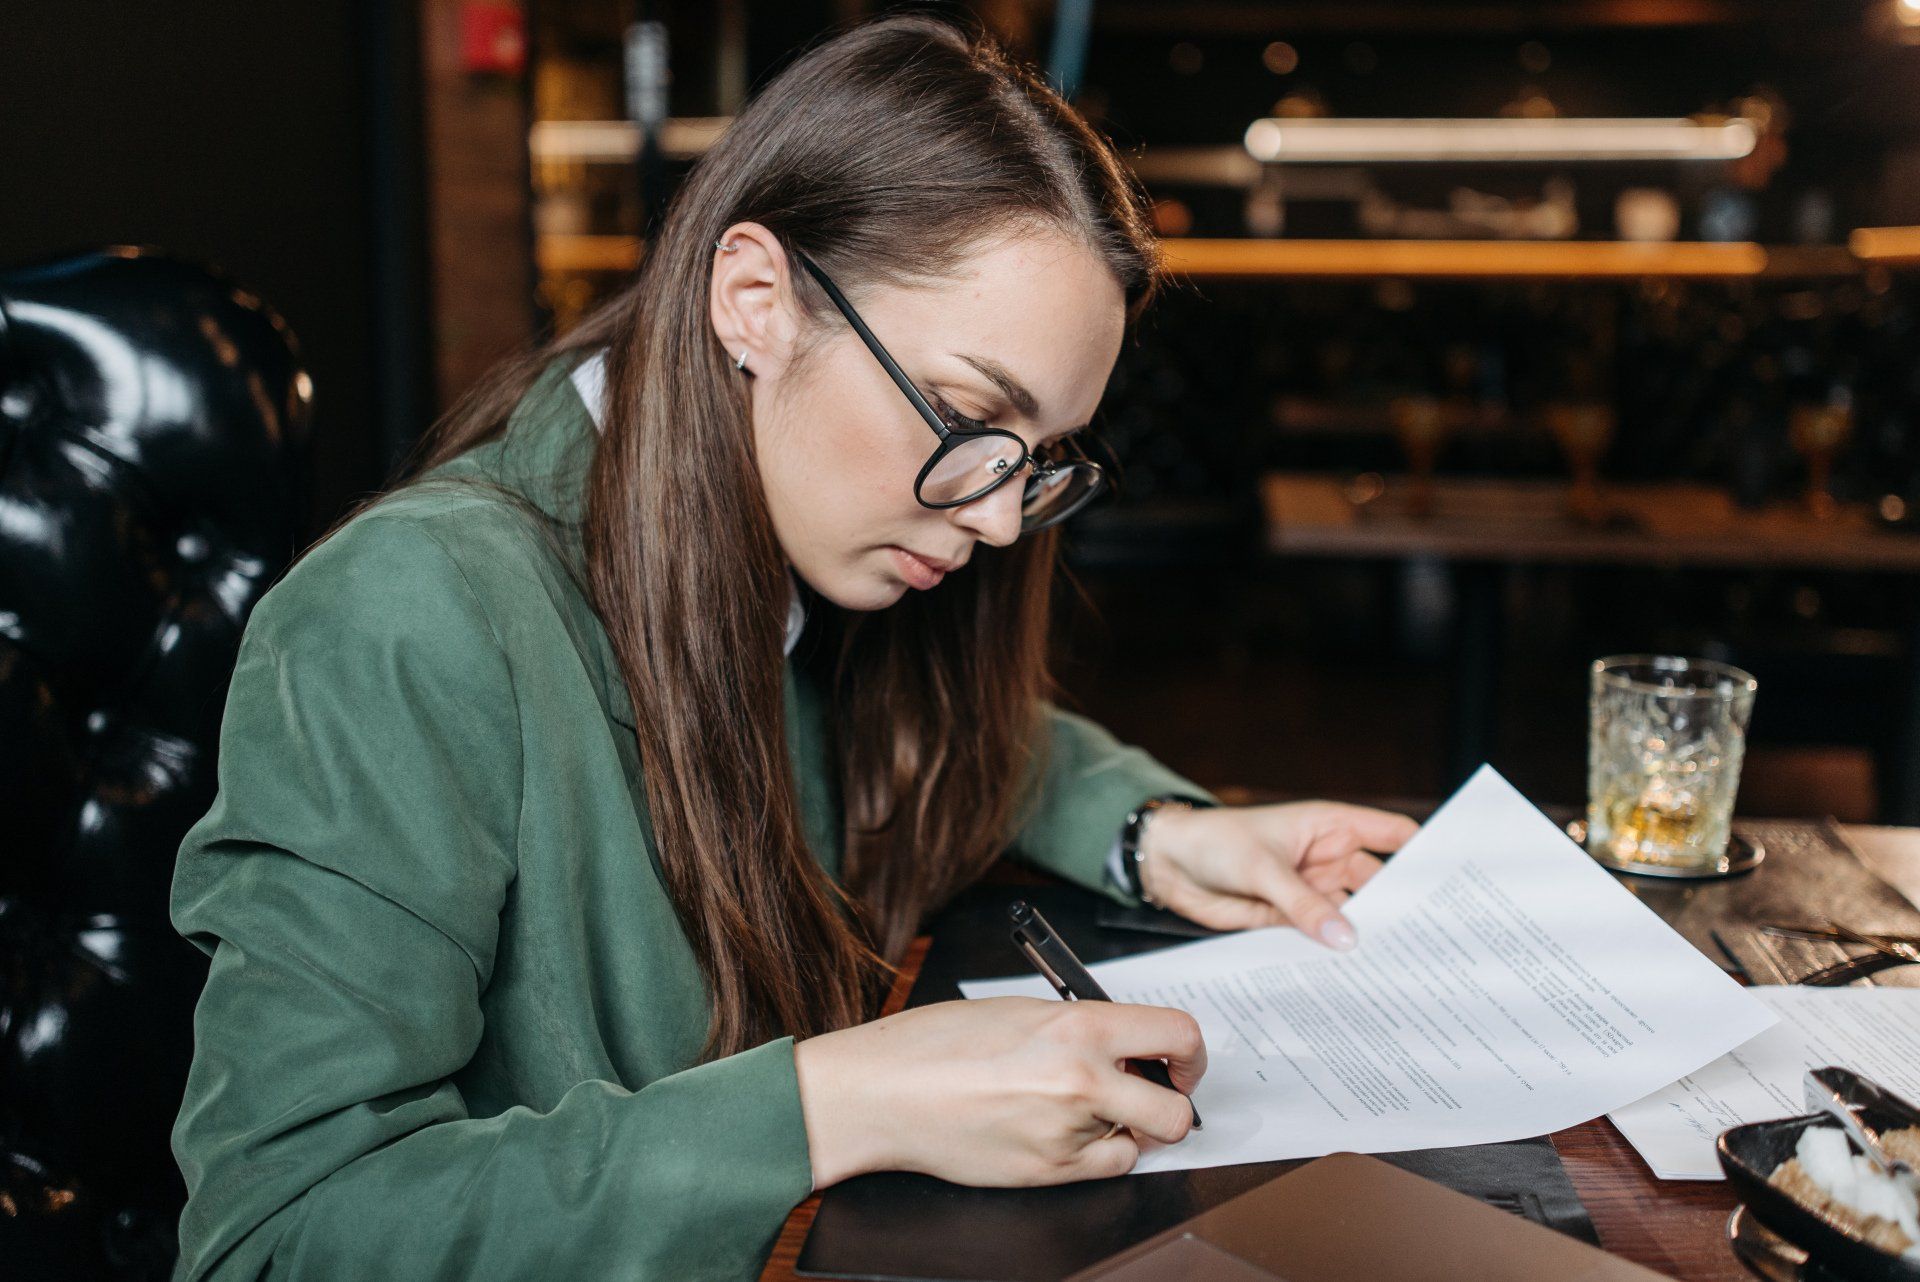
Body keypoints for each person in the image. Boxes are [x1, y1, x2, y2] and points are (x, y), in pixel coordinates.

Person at [168, 15, 1416, 1280]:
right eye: (972, 416)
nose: (993, 517)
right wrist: (832, 1103)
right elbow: (279, 1236)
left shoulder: (805, 539)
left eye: (1038, 459)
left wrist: (1153, 828)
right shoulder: (405, 617)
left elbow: (952, 732)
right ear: (753, 299)